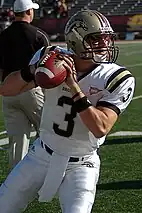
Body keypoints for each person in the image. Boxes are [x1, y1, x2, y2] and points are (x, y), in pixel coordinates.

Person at [0, 10, 135, 213]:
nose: (104, 45)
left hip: (82, 164)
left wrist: (73, 85)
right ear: (77, 40)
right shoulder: (52, 57)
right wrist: (35, 69)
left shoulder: (116, 77)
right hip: (41, 154)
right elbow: (6, 89)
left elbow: (101, 127)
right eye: (96, 39)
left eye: (107, 39)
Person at [0, 0, 50, 170]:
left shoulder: (3, 35)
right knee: (48, 133)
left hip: (8, 92)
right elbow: (47, 68)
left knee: (17, 143)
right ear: (29, 11)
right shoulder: (38, 35)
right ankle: (49, 172)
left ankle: (16, 183)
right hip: (31, 90)